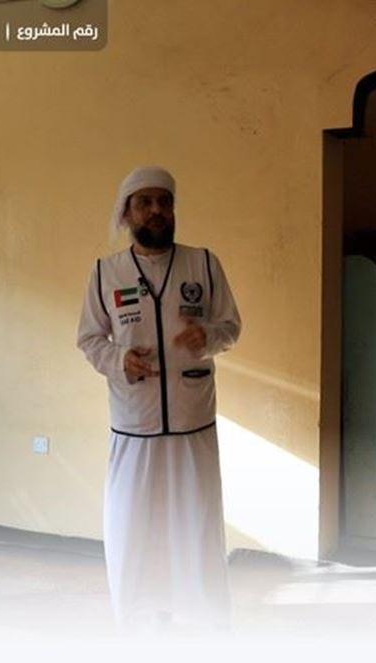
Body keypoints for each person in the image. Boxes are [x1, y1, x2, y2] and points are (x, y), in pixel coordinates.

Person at [76, 165, 241, 632]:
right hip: (135, 427)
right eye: (145, 202)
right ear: (126, 212)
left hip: (192, 424)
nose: (156, 211)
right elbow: (90, 340)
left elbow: (231, 327)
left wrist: (206, 336)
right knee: (134, 526)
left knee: (196, 524)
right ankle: (138, 617)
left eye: (164, 202)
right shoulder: (106, 272)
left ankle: (201, 615)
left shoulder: (204, 264)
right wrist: (119, 360)